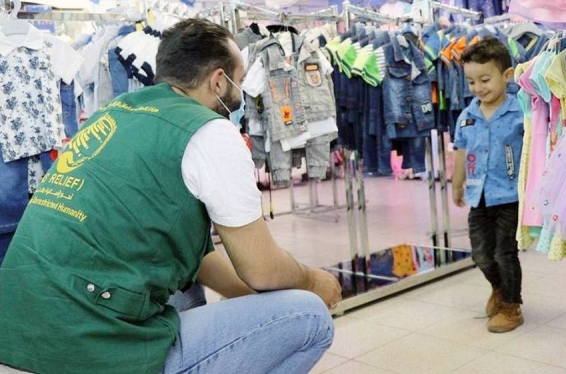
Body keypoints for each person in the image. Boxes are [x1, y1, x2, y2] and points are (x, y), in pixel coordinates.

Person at [0, 18, 342, 374]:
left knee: (186, 286)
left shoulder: (118, 112)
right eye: (239, 84)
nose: (241, 98)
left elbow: (203, 262)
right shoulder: (211, 131)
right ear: (219, 81)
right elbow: (261, 268)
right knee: (310, 316)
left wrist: (258, 308)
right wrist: (312, 282)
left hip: (17, 328)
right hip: (88, 341)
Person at [452, 37, 525, 333]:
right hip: (478, 196)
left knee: (504, 253)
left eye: (485, 79)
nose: (478, 88)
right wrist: (457, 184)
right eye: (471, 82)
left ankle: (511, 305)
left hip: (509, 196)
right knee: (481, 253)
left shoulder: (520, 112)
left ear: (506, 76)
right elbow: (460, 150)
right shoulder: (467, 116)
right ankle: (498, 288)